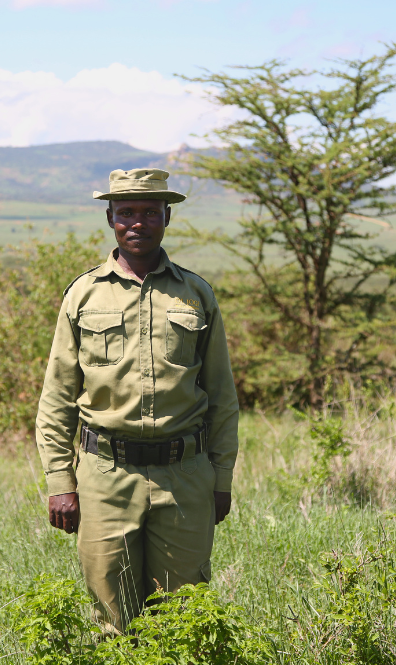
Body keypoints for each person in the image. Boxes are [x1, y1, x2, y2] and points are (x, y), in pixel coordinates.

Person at [34, 167, 240, 633]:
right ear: (109, 218)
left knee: (183, 622)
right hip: (105, 476)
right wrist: (60, 481)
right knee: (113, 622)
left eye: (150, 212)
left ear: (167, 216)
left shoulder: (196, 294)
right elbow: (57, 398)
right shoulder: (83, 295)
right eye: (126, 212)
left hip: (185, 477)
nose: (138, 222)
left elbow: (223, 397)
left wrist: (221, 477)